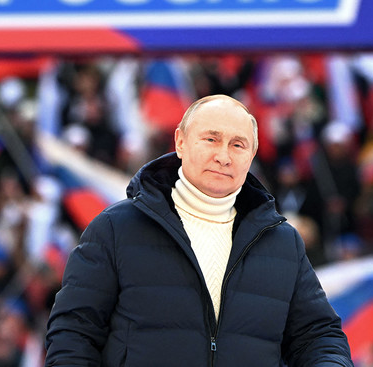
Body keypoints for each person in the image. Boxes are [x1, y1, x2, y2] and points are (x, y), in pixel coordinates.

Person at [44, 94, 352, 366]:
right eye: (211, 139)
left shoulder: (282, 243)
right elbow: (73, 333)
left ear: (252, 155)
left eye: (238, 144)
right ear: (180, 142)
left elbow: (318, 336)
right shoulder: (115, 228)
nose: (223, 156)